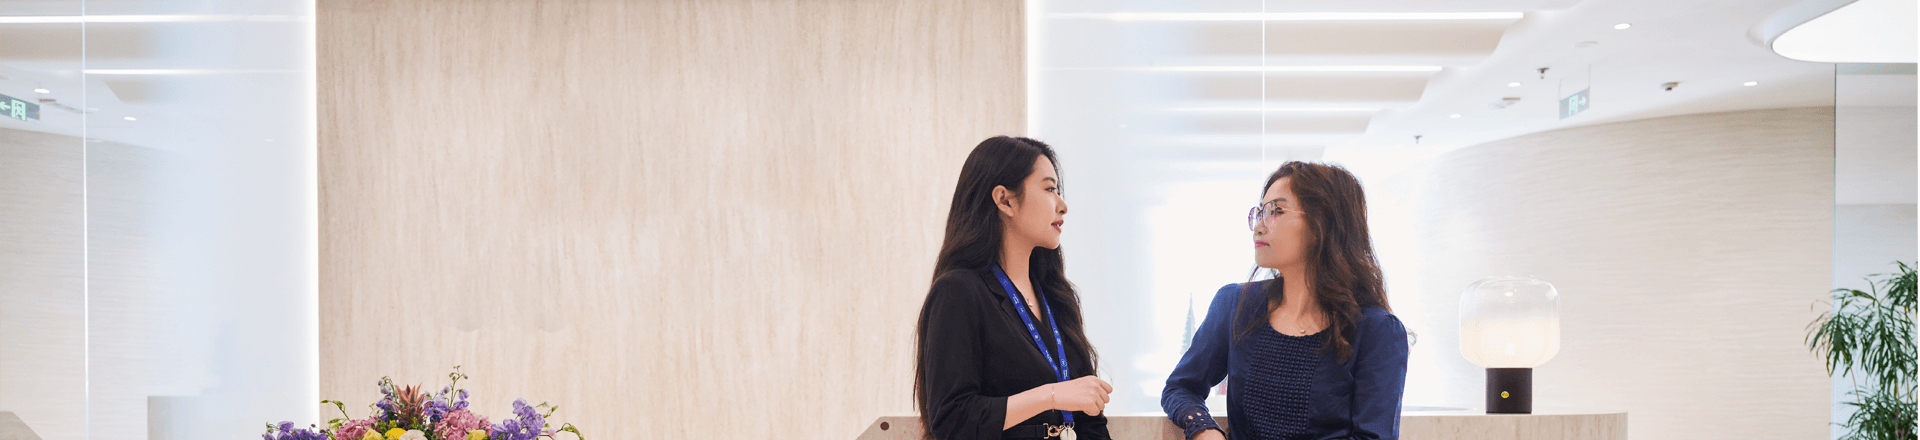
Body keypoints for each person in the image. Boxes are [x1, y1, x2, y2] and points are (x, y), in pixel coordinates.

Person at [1161, 161, 1409, 440]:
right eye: (1259, 213)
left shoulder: (1377, 330)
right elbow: (1180, 387)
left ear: (1322, 224)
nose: (1258, 226)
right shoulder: (1235, 304)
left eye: (1275, 211)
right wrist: (1203, 429)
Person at [914, 136, 1113, 440]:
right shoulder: (958, 292)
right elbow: (952, 419)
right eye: (1049, 189)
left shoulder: (1058, 296)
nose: (1062, 206)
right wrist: (1051, 395)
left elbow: (1091, 422)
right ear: (1005, 200)